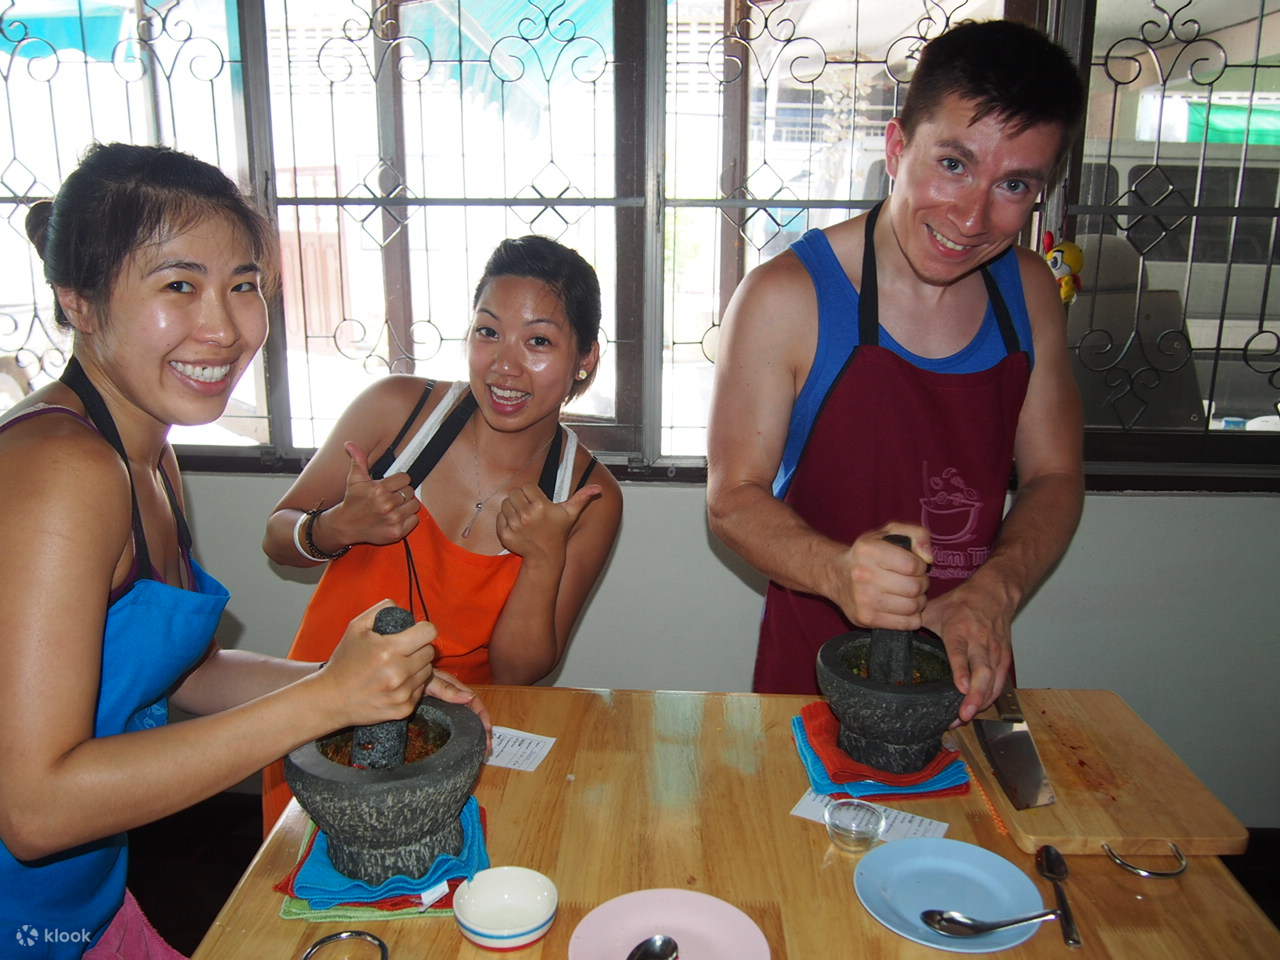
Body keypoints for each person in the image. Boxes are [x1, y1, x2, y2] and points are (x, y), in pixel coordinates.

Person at [0, 143, 487, 959]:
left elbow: (173, 670)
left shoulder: (146, 452)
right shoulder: (63, 470)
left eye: (244, 286)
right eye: (179, 285)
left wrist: (359, 682)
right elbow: (35, 810)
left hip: (85, 904)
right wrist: (323, 702)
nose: (224, 328)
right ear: (79, 301)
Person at [706, 20, 1087, 722]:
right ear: (896, 146)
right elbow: (732, 498)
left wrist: (993, 591)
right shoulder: (786, 297)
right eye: (953, 164)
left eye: (1012, 184)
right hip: (812, 681)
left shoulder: (1028, 292)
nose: (971, 217)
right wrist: (838, 572)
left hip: (966, 673)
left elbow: (1055, 475)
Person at [259, 234, 623, 830]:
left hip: (447, 743)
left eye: (538, 341)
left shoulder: (586, 495)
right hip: (316, 714)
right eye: (488, 332)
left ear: (585, 358)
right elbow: (279, 535)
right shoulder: (397, 411)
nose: (505, 365)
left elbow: (519, 672)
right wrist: (335, 528)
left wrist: (544, 559)